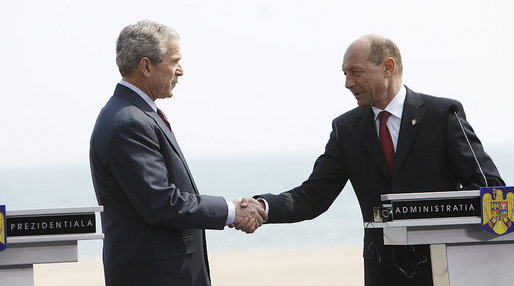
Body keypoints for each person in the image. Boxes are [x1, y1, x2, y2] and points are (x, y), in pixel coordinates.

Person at [253, 34, 505, 285]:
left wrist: (429, 216)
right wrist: (263, 207)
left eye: (355, 72)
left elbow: (490, 188)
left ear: (388, 67)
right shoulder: (346, 129)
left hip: (445, 268)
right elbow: (313, 196)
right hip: (382, 274)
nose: (348, 83)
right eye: (344, 74)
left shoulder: (442, 115)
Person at [89, 20, 265, 286]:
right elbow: (162, 203)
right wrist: (230, 211)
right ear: (146, 66)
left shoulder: (132, 114)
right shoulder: (129, 122)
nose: (181, 71)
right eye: (174, 61)